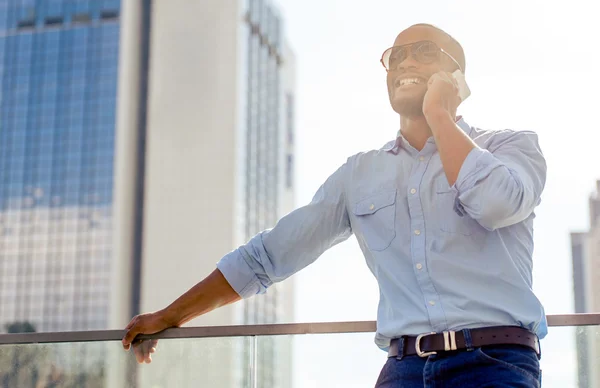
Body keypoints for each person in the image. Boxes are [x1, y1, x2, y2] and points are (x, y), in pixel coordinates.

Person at [122, 23, 546, 387]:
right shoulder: (359, 174)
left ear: (457, 76)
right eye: (396, 56)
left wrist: (440, 114)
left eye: (423, 52)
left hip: (495, 364)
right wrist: (170, 314)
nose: (405, 63)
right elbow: (268, 256)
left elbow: (494, 204)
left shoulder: (510, 148)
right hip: (403, 369)